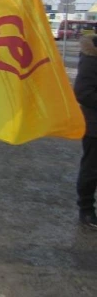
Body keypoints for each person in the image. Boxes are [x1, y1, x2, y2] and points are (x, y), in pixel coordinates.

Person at [73, 34, 97, 229]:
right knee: (92, 170)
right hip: (95, 126)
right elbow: (83, 92)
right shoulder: (92, 55)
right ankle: (87, 209)